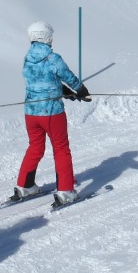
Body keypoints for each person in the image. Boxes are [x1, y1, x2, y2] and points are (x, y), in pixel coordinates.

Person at [14, 21, 90, 206]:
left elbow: (41, 80)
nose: (52, 40)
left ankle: (25, 185)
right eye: (51, 36)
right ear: (45, 37)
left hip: (31, 112)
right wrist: (80, 90)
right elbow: (67, 75)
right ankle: (65, 190)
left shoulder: (27, 58)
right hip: (51, 112)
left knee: (35, 147)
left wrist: (63, 91)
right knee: (61, 149)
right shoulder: (52, 58)